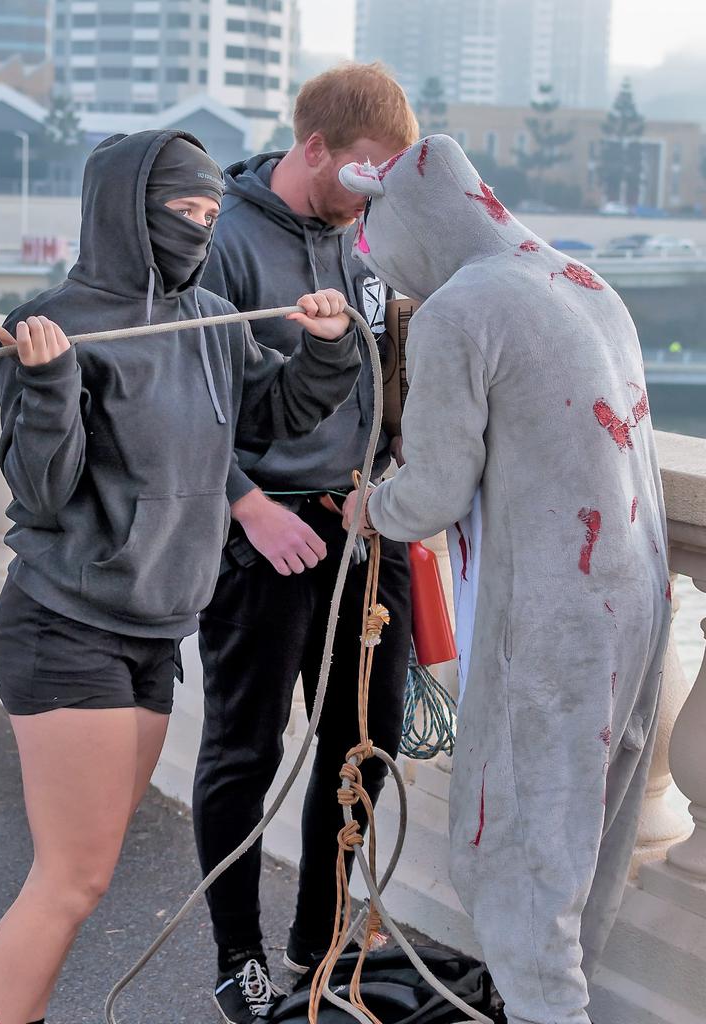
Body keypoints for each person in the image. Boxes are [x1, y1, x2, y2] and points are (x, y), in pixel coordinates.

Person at [0, 129, 361, 1024]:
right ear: (125, 210)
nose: (199, 225)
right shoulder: (54, 321)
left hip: (155, 635)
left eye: (211, 212)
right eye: (182, 209)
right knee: (70, 878)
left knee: (86, 875)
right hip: (66, 628)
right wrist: (49, 381)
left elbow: (279, 409)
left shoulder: (209, 319)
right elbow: (41, 489)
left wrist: (329, 347)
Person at [340, 136, 669, 1024]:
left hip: (554, 616)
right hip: (637, 596)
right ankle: (552, 1002)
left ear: (408, 220)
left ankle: (547, 1012)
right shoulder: (585, 281)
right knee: (586, 845)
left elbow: (437, 490)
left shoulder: (462, 309)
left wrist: (374, 507)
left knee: (526, 853)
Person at [193, 62, 419, 1022]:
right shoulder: (222, 246)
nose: (377, 194)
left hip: (369, 531)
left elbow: (388, 376)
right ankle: (236, 955)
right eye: (368, 171)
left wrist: (396, 481)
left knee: (364, 744)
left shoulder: (368, 245)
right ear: (315, 146)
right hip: (265, 534)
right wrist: (245, 504)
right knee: (245, 749)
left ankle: (320, 937)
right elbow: (181, 405)